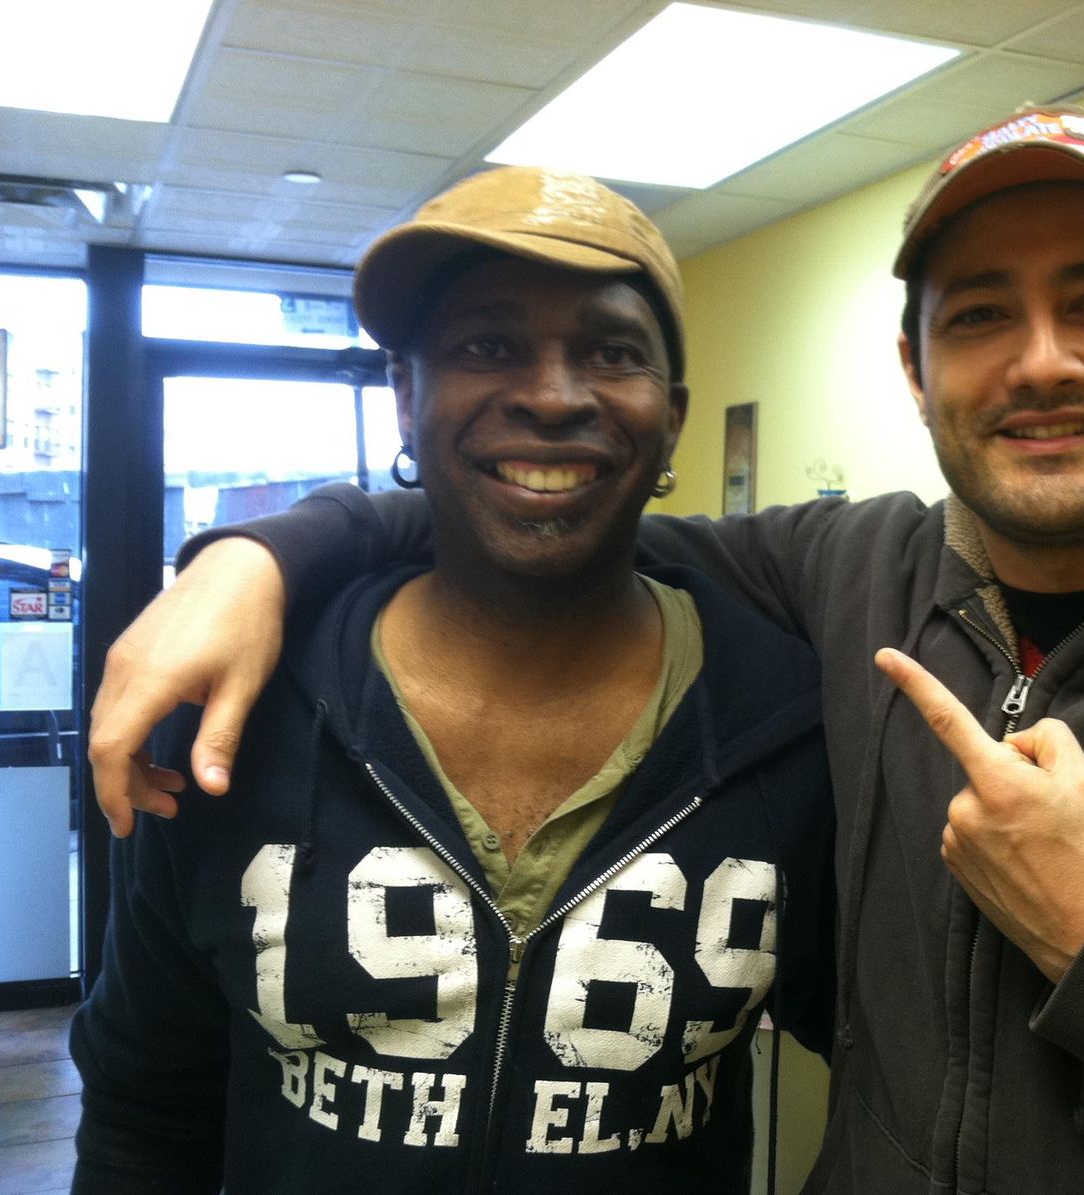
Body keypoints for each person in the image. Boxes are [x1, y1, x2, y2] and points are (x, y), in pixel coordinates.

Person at [88, 106, 1084, 1192]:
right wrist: (255, 557)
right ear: (914, 368)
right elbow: (544, 506)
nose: (1042, 359)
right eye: (979, 314)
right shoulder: (850, 575)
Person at [72, 166, 835, 1193]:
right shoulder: (237, 714)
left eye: (612, 352)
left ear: (672, 416)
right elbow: (142, 1111)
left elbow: (908, 1076)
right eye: (488, 345)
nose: (553, 396)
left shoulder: (784, 725)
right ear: (405, 395)